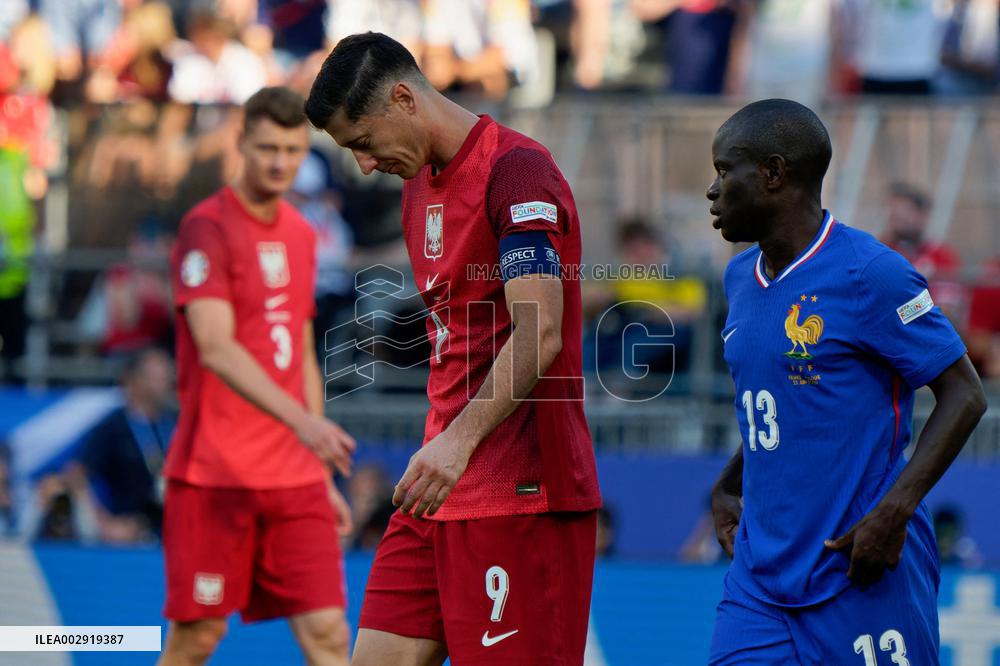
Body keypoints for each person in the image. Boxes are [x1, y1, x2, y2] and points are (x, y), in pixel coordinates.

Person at [305, 32, 601, 666]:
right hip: (437, 482)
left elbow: (540, 330)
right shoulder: (417, 185)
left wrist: (458, 442)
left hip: (518, 490)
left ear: (404, 98)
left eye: (363, 142)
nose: (364, 165)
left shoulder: (516, 170)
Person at [706, 99, 986, 664]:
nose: (712, 191)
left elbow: (965, 394)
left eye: (724, 170)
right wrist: (729, 482)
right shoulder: (739, 277)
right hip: (760, 579)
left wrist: (894, 511)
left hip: (859, 564)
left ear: (773, 174)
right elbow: (784, 399)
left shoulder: (870, 272)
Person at [158, 86, 356, 666]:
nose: (279, 163)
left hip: (294, 477)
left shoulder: (301, 233)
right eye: (267, 148)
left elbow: (300, 351)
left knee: (328, 632)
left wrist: (318, 467)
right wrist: (305, 425)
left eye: (292, 151)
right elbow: (215, 348)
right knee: (197, 637)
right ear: (241, 144)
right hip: (216, 473)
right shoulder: (206, 229)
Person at [67, 348, 176, 543]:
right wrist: (104, 523)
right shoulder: (113, 427)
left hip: (173, 529)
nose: (166, 383)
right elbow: (76, 475)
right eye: (157, 377)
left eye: (168, 375)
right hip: (130, 535)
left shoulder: (175, 423)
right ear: (134, 380)